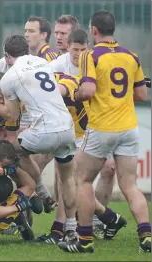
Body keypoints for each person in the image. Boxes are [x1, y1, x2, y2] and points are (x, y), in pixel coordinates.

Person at [58, 10, 151, 253]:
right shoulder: (132, 56)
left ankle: (85, 241)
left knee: (83, 180)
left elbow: (87, 91)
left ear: (94, 31)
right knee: (130, 185)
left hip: (102, 127)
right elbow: (141, 94)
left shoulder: (92, 55)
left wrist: (77, 93)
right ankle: (146, 236)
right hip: (129, 128)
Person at [0, 35, 78, 243]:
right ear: (27, 49)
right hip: (67, 127)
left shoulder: (9, 78)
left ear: (7, 56)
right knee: (68, 178)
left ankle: (39, 193)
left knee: (9, 151)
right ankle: (71, 230)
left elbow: (12, 116)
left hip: (44, 131)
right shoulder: (43, 62)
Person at [50, 29, 117, 239]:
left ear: (88, 47)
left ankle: (98, 221)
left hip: (93, 127)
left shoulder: (97, 62)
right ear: (68, 48)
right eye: (74, 49)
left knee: (108, 168)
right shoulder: (58, 65)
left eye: (82, 49)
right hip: (65, 129)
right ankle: (61, 224)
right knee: (62, 172)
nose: (78, 53)